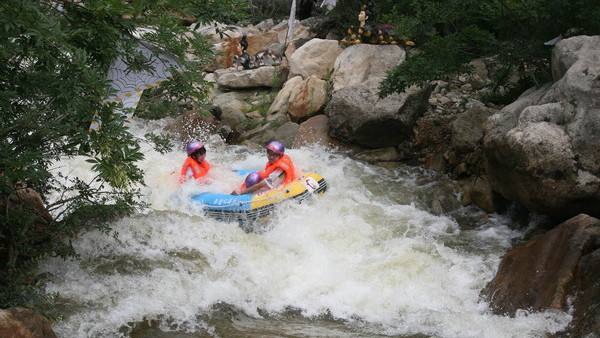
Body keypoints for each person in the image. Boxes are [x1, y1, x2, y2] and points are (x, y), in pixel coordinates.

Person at [232, 140, 297, 195]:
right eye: (269, 153)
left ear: (280, 155)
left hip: (281, 187)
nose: (271, 157)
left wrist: (242, 192)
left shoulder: (279, 170)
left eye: (274, 155)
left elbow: (260, 185)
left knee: (253, 182)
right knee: (252, 177)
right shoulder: (282, 159)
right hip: (277, 181)